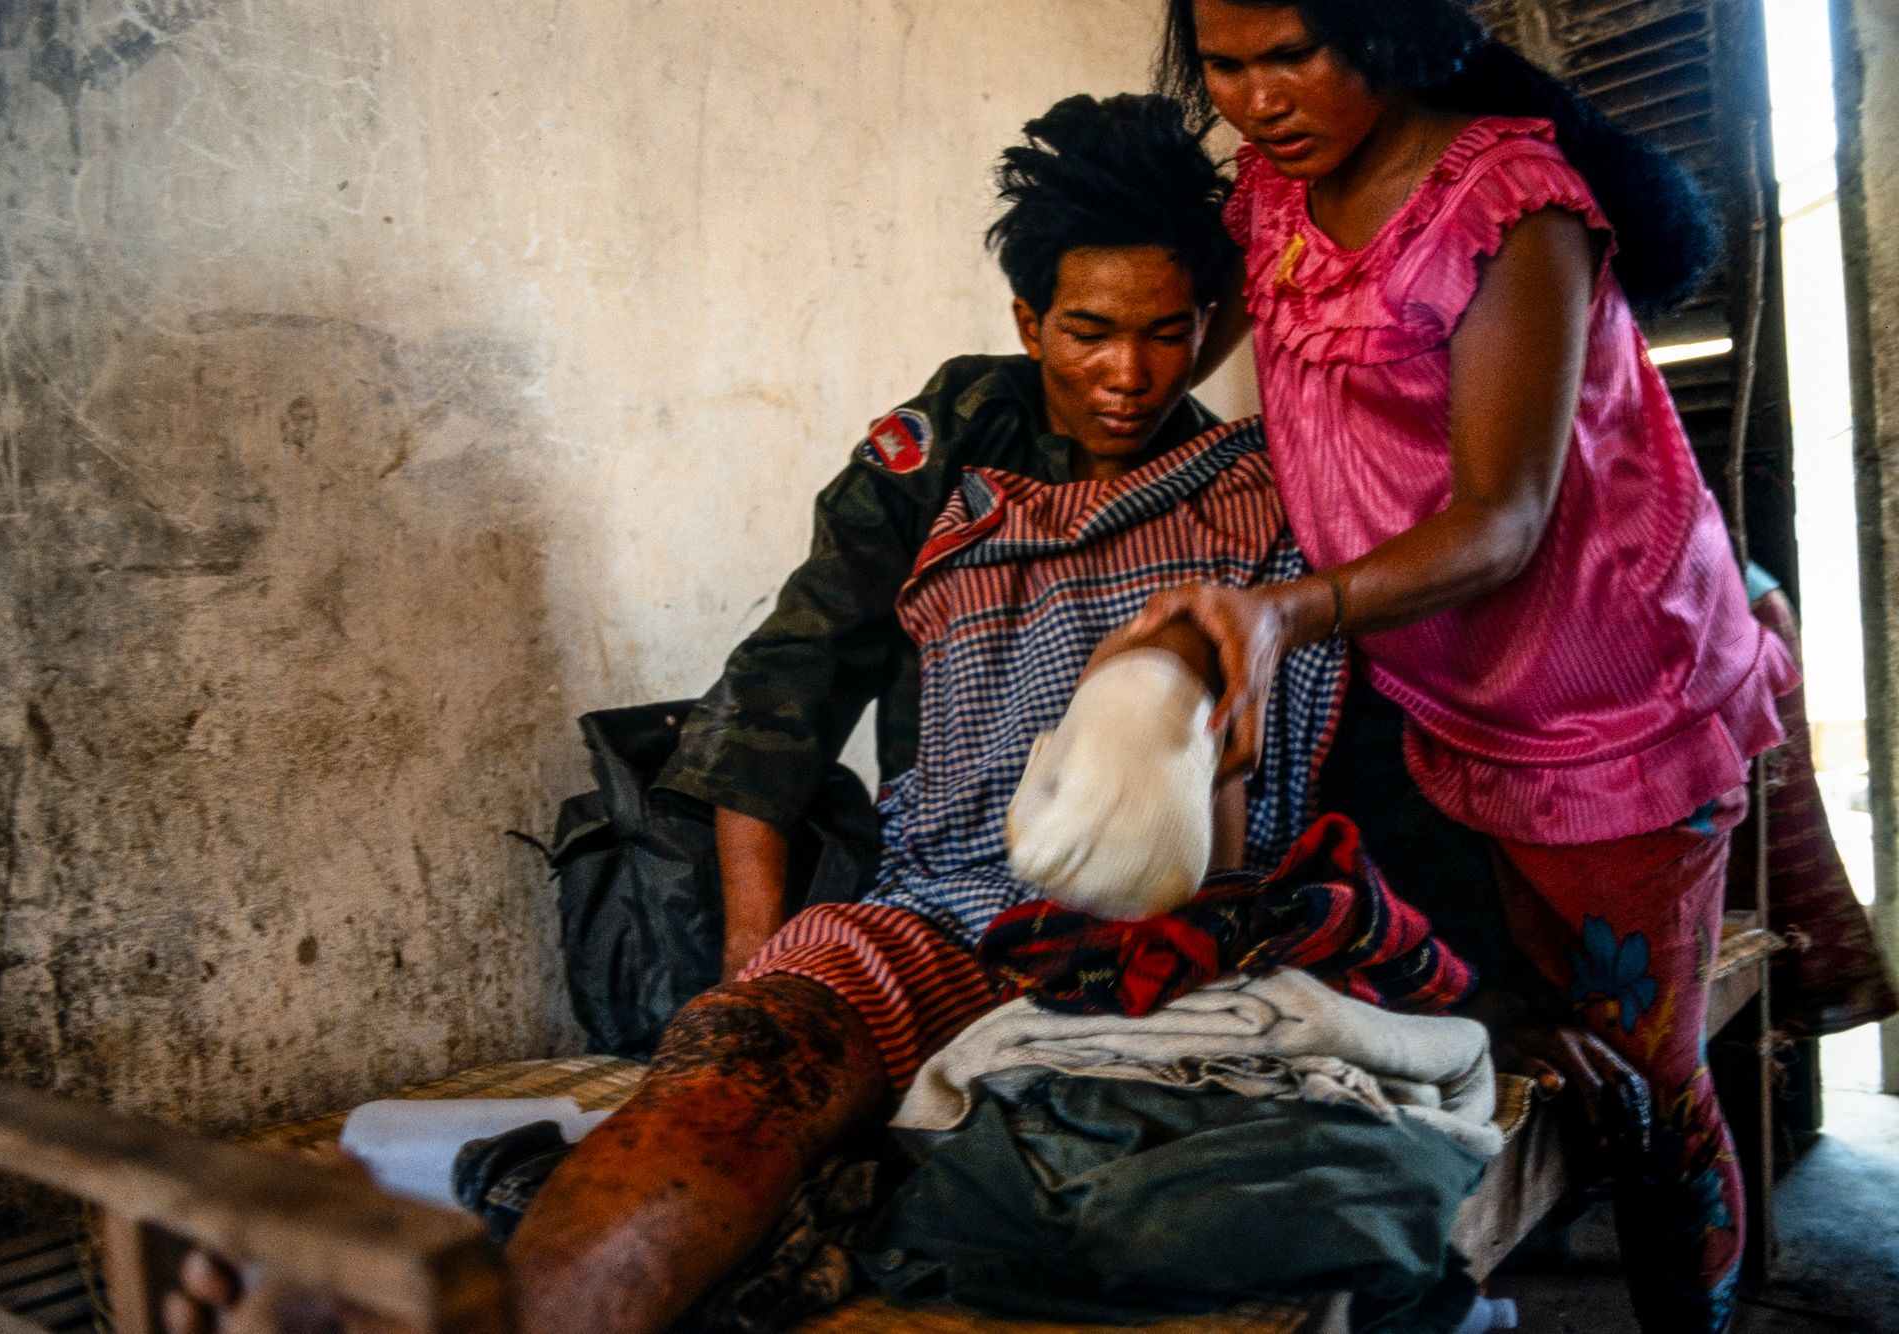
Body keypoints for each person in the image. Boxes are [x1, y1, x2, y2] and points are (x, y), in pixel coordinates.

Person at [166, 92, 1353, 1334]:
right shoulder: (943, 448)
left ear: (1210, 324)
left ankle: (771, 1208)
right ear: (1026, 319)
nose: (1127, 374)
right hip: (941, 904)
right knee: (746, 1064)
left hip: (1164, 947)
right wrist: (749, 958)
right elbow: (781, 692)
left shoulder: (1244, 498)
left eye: (1167, 334)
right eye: (1088, 332)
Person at [1120, 4, 1799, 1331]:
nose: (1259, 99)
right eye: (1228, 64)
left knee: (1654, 1077)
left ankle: (1691, 1313)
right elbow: (1199, 346)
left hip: (1607, 708)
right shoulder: (1279, 188)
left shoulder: (1506, 209)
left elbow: (1503, 520)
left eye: (1293, 55)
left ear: (1388, 26)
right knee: (1540, 1033)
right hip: (1437, 690)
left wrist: (1282, 613)